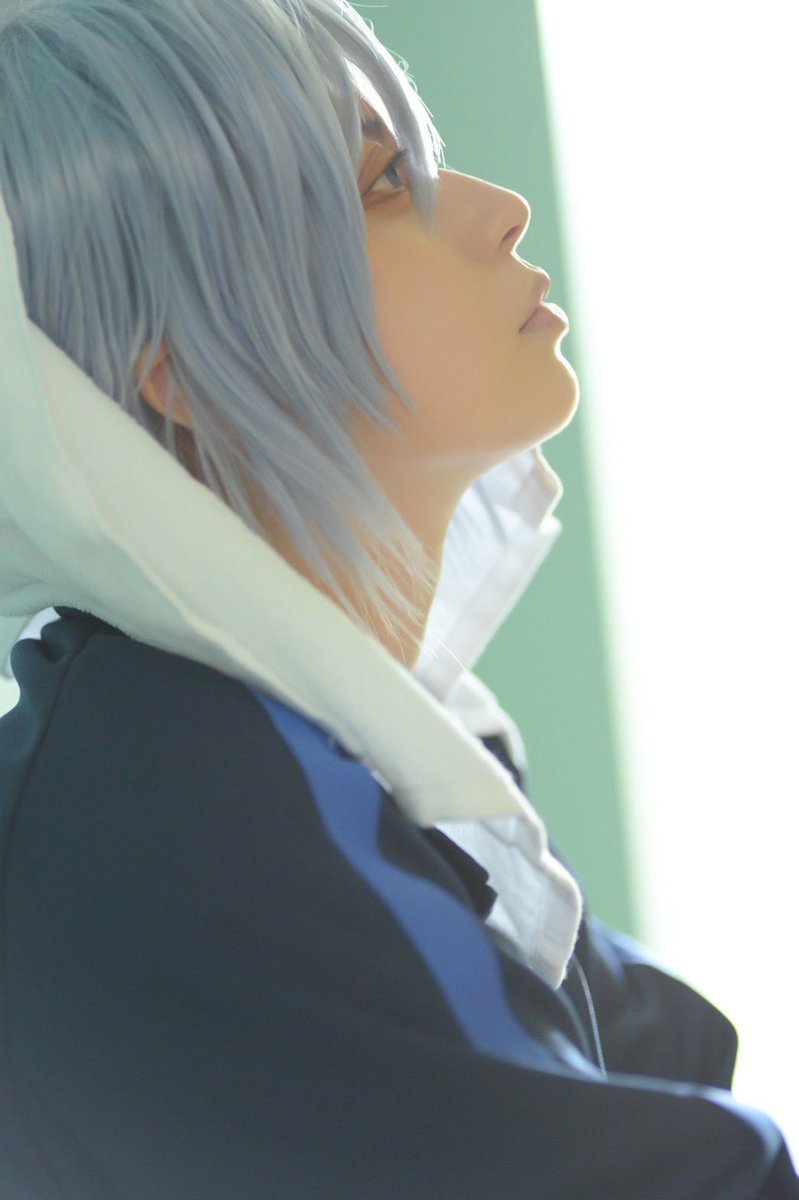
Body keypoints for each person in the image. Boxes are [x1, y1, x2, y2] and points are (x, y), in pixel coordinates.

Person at [0, 0, 795, 1196]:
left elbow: (675, 1073)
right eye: (381, 186)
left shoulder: (301, 751)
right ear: (177, 371)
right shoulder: (176, 823)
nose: (496, 209)